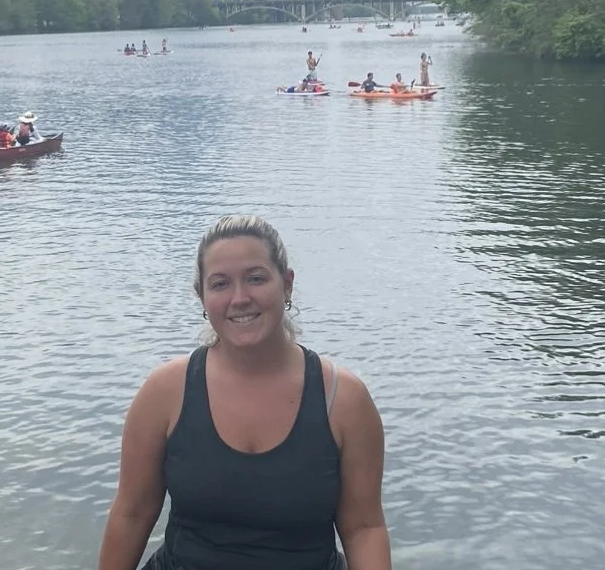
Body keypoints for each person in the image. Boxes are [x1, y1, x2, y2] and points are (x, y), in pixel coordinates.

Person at [97, 216, 390, 570]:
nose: (240, 298)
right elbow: (131, 514)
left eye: (256, 278)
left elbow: (363, 528)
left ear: (287, 284)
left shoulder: (343, 400)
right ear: (201, 296)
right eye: (220, 284)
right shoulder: (165, 392)